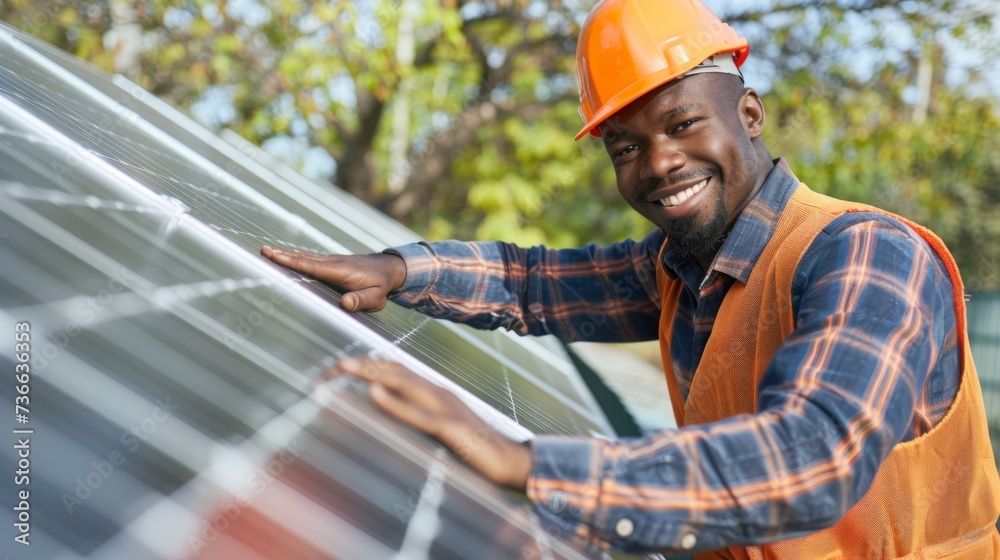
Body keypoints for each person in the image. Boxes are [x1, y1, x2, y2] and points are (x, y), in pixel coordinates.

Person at [261, 0, 1000, 557]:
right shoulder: (679, 266)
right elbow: (531, 284)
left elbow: (815, 456)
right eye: (625, 147)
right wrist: (398, 268)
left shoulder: (868, 254)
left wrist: (529, 463)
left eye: (682, 125)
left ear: (749, 113)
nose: (657, 164)